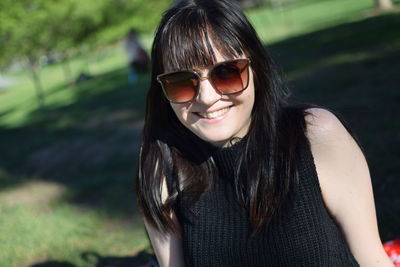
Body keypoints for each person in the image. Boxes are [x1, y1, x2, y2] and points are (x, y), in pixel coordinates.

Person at [136, 0, 393, 266]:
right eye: (181, 82)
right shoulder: (161, 165)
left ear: (256, 68)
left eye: (226, 73)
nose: (207, 97)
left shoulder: (315, 136)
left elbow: (372, 260)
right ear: (163, 92)